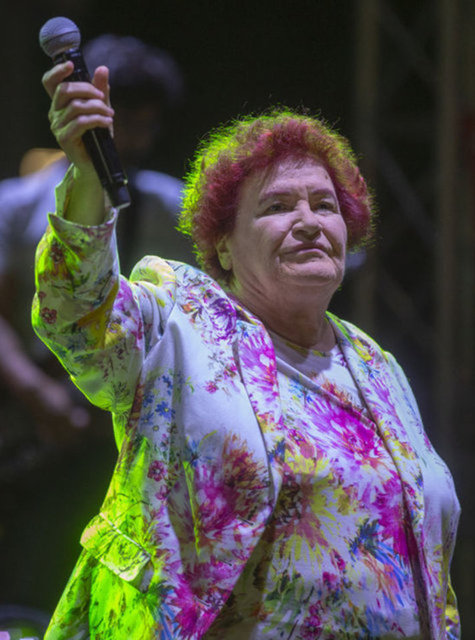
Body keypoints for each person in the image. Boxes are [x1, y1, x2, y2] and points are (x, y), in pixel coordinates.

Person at [33, 58, 461, 640]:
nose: (308, 222)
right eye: (278, 206)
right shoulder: (179, 323)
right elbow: (77, 312)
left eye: (325, 206)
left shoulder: (375, 365)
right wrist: (88, 177)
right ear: (224, 247)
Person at [0, 34, 191, 612]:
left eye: (146, 127)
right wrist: (38, 396)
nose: (132, 141)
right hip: (33, 421)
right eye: (122, 123)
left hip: (128, 424)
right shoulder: (17, 204)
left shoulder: (170, 206)